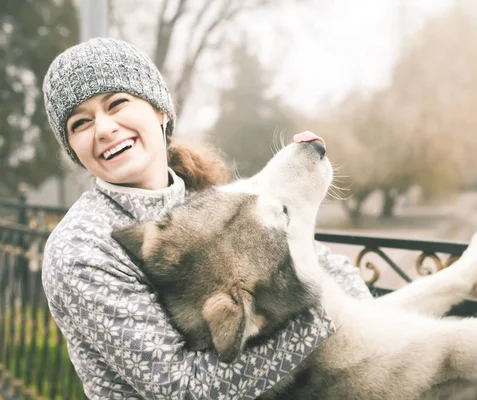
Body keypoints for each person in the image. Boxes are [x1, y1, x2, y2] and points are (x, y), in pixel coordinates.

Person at [42, 37, 372, 399]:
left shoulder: (205, 196)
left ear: (160, 111)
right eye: (80, 123)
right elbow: (183, 389)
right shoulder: (80, 247)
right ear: (74, 148)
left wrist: (358, 314)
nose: (103, 129)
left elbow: (324, 265)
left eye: (117, 103)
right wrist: (329, 315)